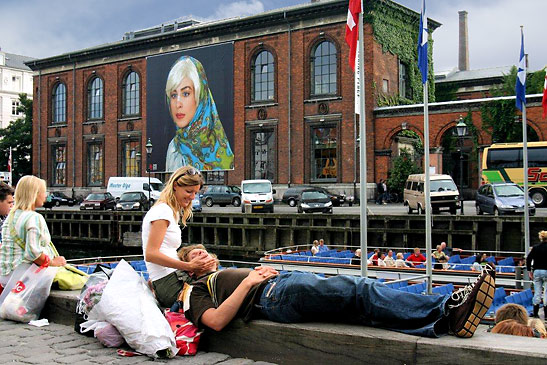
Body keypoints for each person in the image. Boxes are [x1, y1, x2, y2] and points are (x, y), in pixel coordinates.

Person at [176, 245, 496, 339]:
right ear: (187, 268)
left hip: (283, 284)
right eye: (196, 255)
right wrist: (249, 282)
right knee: (361, 289)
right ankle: (447, 306)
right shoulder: (195, 289)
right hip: (273, 294)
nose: (205, 255)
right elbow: (215, 321)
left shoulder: (217, 274)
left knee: (360, 309)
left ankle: (440, 324)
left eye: (205, 251)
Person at [142, 165, 216, 308]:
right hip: (170, 284)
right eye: (189, 191)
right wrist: (188, 265)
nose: (192, 197)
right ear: (175, 185)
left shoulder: (170, 211)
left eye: (195, 192)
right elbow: (150, 254)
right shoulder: (162, 212)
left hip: (173, 278)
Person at [164, 56, 234, 171]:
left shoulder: (220, 148)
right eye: (173, 95)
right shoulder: (173, 148)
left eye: (186, 93)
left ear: (200, 97)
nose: (178, 104)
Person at [0, 176, 67, 294]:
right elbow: (33, 254)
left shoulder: (10, 216)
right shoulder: (34, 217)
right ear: (35, 194)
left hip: (6, 278)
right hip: (24, 278)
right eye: (43, 192)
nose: (46, 195)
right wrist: (54, 262)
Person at [526, 230, 547, 319]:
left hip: (537, 271)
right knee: (546, 292)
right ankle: (546, 315)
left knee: (537, 292)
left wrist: (529, 270)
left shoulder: (535, 247)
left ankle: (535, 313)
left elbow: (528, 259)